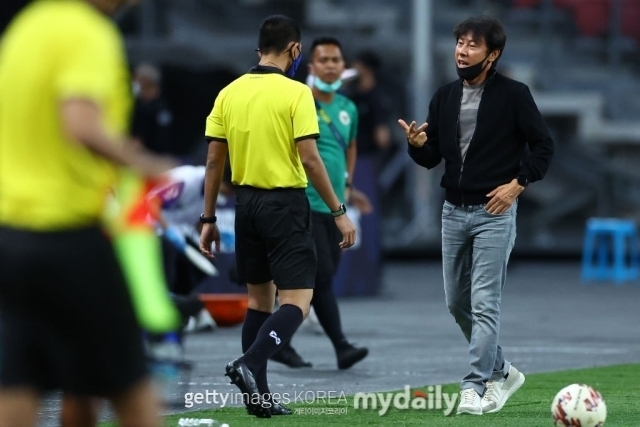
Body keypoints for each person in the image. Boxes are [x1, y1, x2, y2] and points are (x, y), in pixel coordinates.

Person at [0, 0, 177, 426]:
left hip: (10, 237)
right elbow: (79, 123)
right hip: (70, 235)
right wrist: (147, 165)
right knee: (131, 388)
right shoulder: (87, 33)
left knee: (19, 384)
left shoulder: (27, 27)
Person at [199, 15, 356, 418]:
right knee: (299, 302)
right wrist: (339, 211)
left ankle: (259, 398)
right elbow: (310, 158)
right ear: (295, 50)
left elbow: (214, 161)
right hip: (284, 205)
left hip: (245, 205)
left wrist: (208, 218)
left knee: (259, 300)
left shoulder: (228, 93)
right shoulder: (295, 93)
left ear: (258, 50)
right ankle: (249, 364)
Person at [399, 16, 554, 416]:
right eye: (460, 43)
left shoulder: (514, 95)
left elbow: (543, 148)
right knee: (456, 303)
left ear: (493, 54)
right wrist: (417, 146)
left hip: (493, 213)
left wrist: (517, 184)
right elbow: (433, 157)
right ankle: (502, 369)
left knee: (485, 302)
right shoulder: (445, 96)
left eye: (472, 45)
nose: (462, 51)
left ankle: (475, 384)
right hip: (453, 211)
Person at [271, 37, 372, 371]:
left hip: (335, 205)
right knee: (322, 278)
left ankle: (279, 344)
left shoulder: (348, 108)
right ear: (311, 67)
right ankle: (341, 347)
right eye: (324, 60)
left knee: (317, 280)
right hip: (306, 203)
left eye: (336, 60)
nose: (331, 65)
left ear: (343, 68)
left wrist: (347, 184)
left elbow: (350, 147)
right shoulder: (300, 102)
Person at [131, 63, 174, 155]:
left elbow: (137, 142)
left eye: (137, 79)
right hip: (157, 159)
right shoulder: (140, 104)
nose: (134, 82)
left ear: (146, 81)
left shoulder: (156, 107)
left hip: (149, 160)